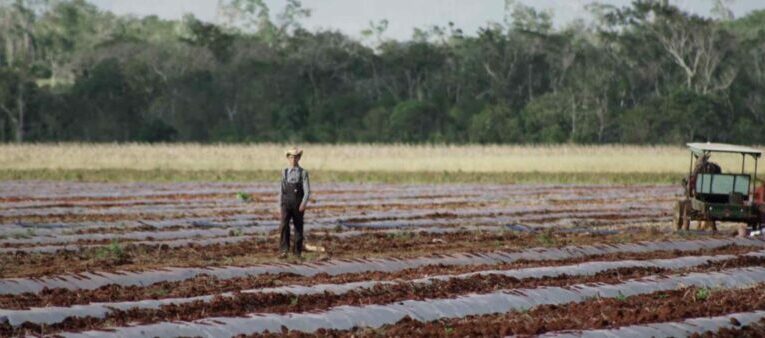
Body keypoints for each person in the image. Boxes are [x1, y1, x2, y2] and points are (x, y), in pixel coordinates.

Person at [278, 147, 311, 258]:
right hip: (286, 203)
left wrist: (303, 203)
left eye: (295, 157)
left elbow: (307, 191)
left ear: (299, 158)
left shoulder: (303, 172)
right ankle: (284, 250)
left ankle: (297, 252)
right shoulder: (284, 171)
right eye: (291, 157)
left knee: (298, 227)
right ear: (288, 158)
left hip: (298, 203)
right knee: (284, 225)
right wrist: (281, 204)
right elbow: (282, 189)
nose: (293, 159)